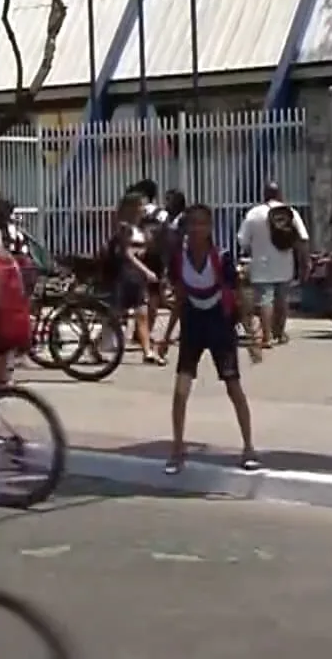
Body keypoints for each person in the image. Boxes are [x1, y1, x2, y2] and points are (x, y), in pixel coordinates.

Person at [163, 205, 261, 474]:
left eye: (202, 224)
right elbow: (180, 297)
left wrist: (252, 339)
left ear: (210, 228)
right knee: (181, 390)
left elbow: (238, 298)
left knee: (233, 388)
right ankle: (177, 449)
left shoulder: (222, 258)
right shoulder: (178, 260)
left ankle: (249, 447)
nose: (196, 230)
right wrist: (167, 336)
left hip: (220, 326)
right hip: (193, 325)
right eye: (191, 224)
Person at [236, 183, 308, 349]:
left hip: (262, 264)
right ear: (280, 194)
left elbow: (243, 241)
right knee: (282, 299)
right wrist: (305, 261)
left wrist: (255, 247)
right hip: (285, 263)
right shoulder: (291, 213)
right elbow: (303, 238)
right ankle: (280, 333)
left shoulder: (254, 213)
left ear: (264, 194)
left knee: (265, 299)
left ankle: (266, 337)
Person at [108, 192, 161, 361]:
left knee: (142, 315)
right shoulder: (125, 227)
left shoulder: (141, 228)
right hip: (125, 277)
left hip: (137, 278)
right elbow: (127, 254)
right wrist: (147, 271)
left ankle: (147, 352)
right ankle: (93, 345)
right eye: (140, 205)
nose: (144, 209)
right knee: (115, 316)